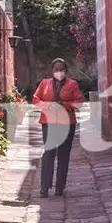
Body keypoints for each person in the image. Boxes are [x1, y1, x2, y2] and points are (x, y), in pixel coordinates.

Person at [32, 58, 84, 197]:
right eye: (56, 69)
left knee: (63, 155)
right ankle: (44, 187)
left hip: (67, 123)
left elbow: (79, 102)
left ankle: (60, 187)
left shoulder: (72, 84)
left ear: (66, 71)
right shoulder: (44, 84)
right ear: (52, 70)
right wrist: (48, 106)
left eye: (62, 69)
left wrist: (64, 105)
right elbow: (36, 99)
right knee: (48, 153)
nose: (59, 72)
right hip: (48, 123)